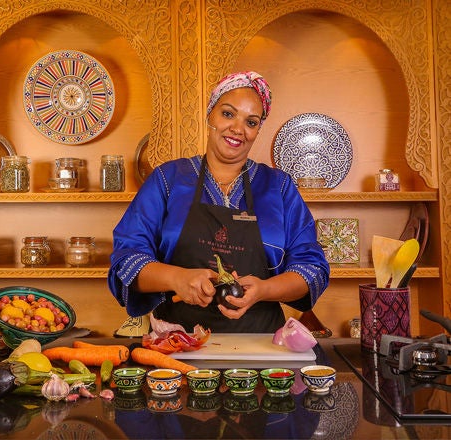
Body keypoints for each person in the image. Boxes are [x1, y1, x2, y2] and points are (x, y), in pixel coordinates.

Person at [108, 71, 329, 333]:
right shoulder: (167, 180)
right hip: (177, 344)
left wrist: (264, 289)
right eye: (227, 113)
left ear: (258, 129)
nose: (238, 129)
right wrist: (178, 278)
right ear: (210, 114)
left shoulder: (279, 187)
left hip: (262, 348)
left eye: (251, 122)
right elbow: (126, 261)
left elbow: (312, 269)